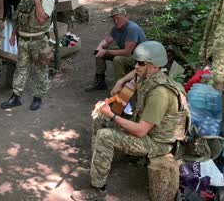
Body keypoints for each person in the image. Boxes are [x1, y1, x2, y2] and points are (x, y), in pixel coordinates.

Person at [71, 41, 189, 200]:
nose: (136, 66)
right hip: (147, 132)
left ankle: (98, 189)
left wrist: (113, 116)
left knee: (106, 135)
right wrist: (115, 97)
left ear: (153, 66)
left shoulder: (160, 93)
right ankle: (98, 164)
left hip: (156, 143)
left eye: (140, 63)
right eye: (136, 62)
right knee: (100, 118)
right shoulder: (148, 75)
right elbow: (132, 84)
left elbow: (141, 130)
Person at [0, 0, 54, 111]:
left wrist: (37, 2)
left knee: (41, 70)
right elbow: (21, 17)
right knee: (21, 69)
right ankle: (16, 97)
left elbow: (42, 19)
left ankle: (38, 98)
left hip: (38, 41)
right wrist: (13, 35)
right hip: (23, 39)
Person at [85, 7, 146, 91]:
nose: (115, 21)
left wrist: (106, 51)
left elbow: (127, 52)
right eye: (113, 19)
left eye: (118, 18)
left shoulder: (132, 29)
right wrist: (100, 47)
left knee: (118, 59)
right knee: (100, 52)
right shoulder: (116, 28)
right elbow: (107, 40)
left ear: (126, 17)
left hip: (139, 59)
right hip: (128, 52)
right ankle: (100, 82)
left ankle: (120, 86)